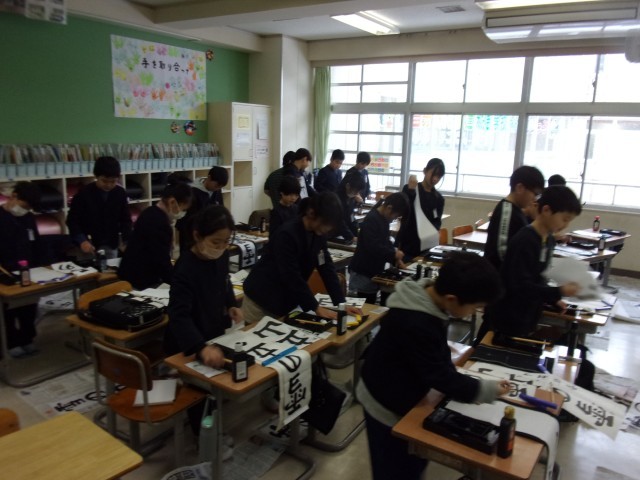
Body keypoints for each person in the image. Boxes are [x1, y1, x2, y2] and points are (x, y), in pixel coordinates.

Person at [357, 252, 510, 480]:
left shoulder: (427, 297)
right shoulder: (417, 321)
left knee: (412, 464)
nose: (475, 312)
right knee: (396, 469)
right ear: (451, 299)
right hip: (385, 405)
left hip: (402, 390)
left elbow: (434, 358)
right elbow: (438, 374)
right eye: (475, 307)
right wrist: (484, 390)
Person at [164, 205, 242, 438]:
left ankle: (212, 422)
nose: (221, 248)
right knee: (199, 389)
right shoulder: (185, 267)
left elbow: (225, 281)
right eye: (215, 242)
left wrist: (231, 304)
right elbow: (178, 315)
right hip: (187, 340)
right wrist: (200, 347)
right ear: (197, 236)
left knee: (224, 377)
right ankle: (204, 440)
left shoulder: (221, 255)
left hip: (212, 329)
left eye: (226, 242)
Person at [242, 192, 360, 324]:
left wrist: (341, 304)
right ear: (311, 213)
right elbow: (291, 275)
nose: (328, 228)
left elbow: (326, 267)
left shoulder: (318, 234)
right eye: (326, 223)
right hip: (261, 297)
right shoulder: (287, 234)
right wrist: (315, 307)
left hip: (285, 298)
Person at [485, 186, 582, 338]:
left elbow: (538, 277)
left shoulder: (548, 239)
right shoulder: (525, 240)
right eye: (564, 219)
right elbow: (521, 287)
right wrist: (559, 291)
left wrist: (554, 299)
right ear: (546, 210)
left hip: (528, 313)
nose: (565, 225)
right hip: (509, 316)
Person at [117, 182, 192, 290]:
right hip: (140, 279)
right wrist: (178, 283)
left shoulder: (150, 211)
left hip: (130, 272)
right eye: (183, 209)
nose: (182, 213)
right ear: (172, 202)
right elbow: (161, 262)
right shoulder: (160, 224)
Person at [0, 182, 42, 357]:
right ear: (14, 196)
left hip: (27, 270)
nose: (24, 210)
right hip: (5, 271)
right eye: (24, 206)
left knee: (29, 307)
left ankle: (27, 339)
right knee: (7, 311)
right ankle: (10, 343)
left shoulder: (28, 217)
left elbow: (36, 243)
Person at [349, 192, 409, 305]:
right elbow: (373, 246)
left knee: (372, 303)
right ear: (389, 208)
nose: (394, 219)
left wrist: (395, 256)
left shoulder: (383, 219)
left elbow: (385, 241)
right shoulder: (372, 219)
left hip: (373, 270)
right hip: (363, 272)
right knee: (365, 306)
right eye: (395, 216)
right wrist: (393, 254)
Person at [66, 156, 132, 258]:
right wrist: (82, 240)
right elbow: (72, 221)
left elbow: (126, 220)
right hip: (88, 243)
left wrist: (126, 240)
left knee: (110, 267)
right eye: (104, 181)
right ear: (96, 176)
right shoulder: (83, 194)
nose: (108, 185)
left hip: (111, 243)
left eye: (113, 181)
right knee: (88, 266)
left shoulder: (120, 193)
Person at [484, 166, 545, 271]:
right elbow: (501, 252)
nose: (535, 199)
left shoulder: (518, 211)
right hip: (498, 275)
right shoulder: (506, 211)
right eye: (535, 194)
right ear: (520, 188)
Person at [395, 158, 445, 260]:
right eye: (433, 174)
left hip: (427, 245)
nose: (435, 179)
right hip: (407, 243)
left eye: (439, 176)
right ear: (425, 171)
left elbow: (437, 222)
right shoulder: (410, 188)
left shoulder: (439, 198)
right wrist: (411, 191)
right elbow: (403, 211)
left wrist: (432, 232)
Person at [171, 166, 229, 251]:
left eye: (220, 187)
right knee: (189, 254)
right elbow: (190, 217)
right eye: (216, 185)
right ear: (209, 178)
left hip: (207, 232)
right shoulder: (192, 191)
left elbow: (220, 209)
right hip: (189, 231)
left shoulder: (216, 190)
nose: (217, 188)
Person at [330, 171, 366, 244]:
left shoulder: (350, 197)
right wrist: (351, 237)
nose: (357, 194)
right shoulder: (335, 198)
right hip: (332, 234)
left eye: (358, 192)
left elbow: (351, 218)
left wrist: (357, 234)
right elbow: (339, 221)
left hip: (343, 234)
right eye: (356, 191)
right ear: (348, 186)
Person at [269, 175, 301, 241]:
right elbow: (273, 236)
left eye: (296, 195)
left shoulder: (297, 209)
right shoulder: (276, 212)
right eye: (290, 195)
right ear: (282, 193)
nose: (293, 198)